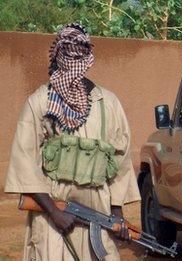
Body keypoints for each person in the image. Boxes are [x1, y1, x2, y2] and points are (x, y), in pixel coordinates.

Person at [4, 23, 140, 260]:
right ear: (58, 57)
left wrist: (116, 214)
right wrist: (53, 212)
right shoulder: (40, 103)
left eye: (80, 55)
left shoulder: (107, 103)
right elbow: (25, 162)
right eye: (68, 55)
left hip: (98, 208)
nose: (73, 64)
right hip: (52, 214)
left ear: (87, 59)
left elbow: (121, 160)